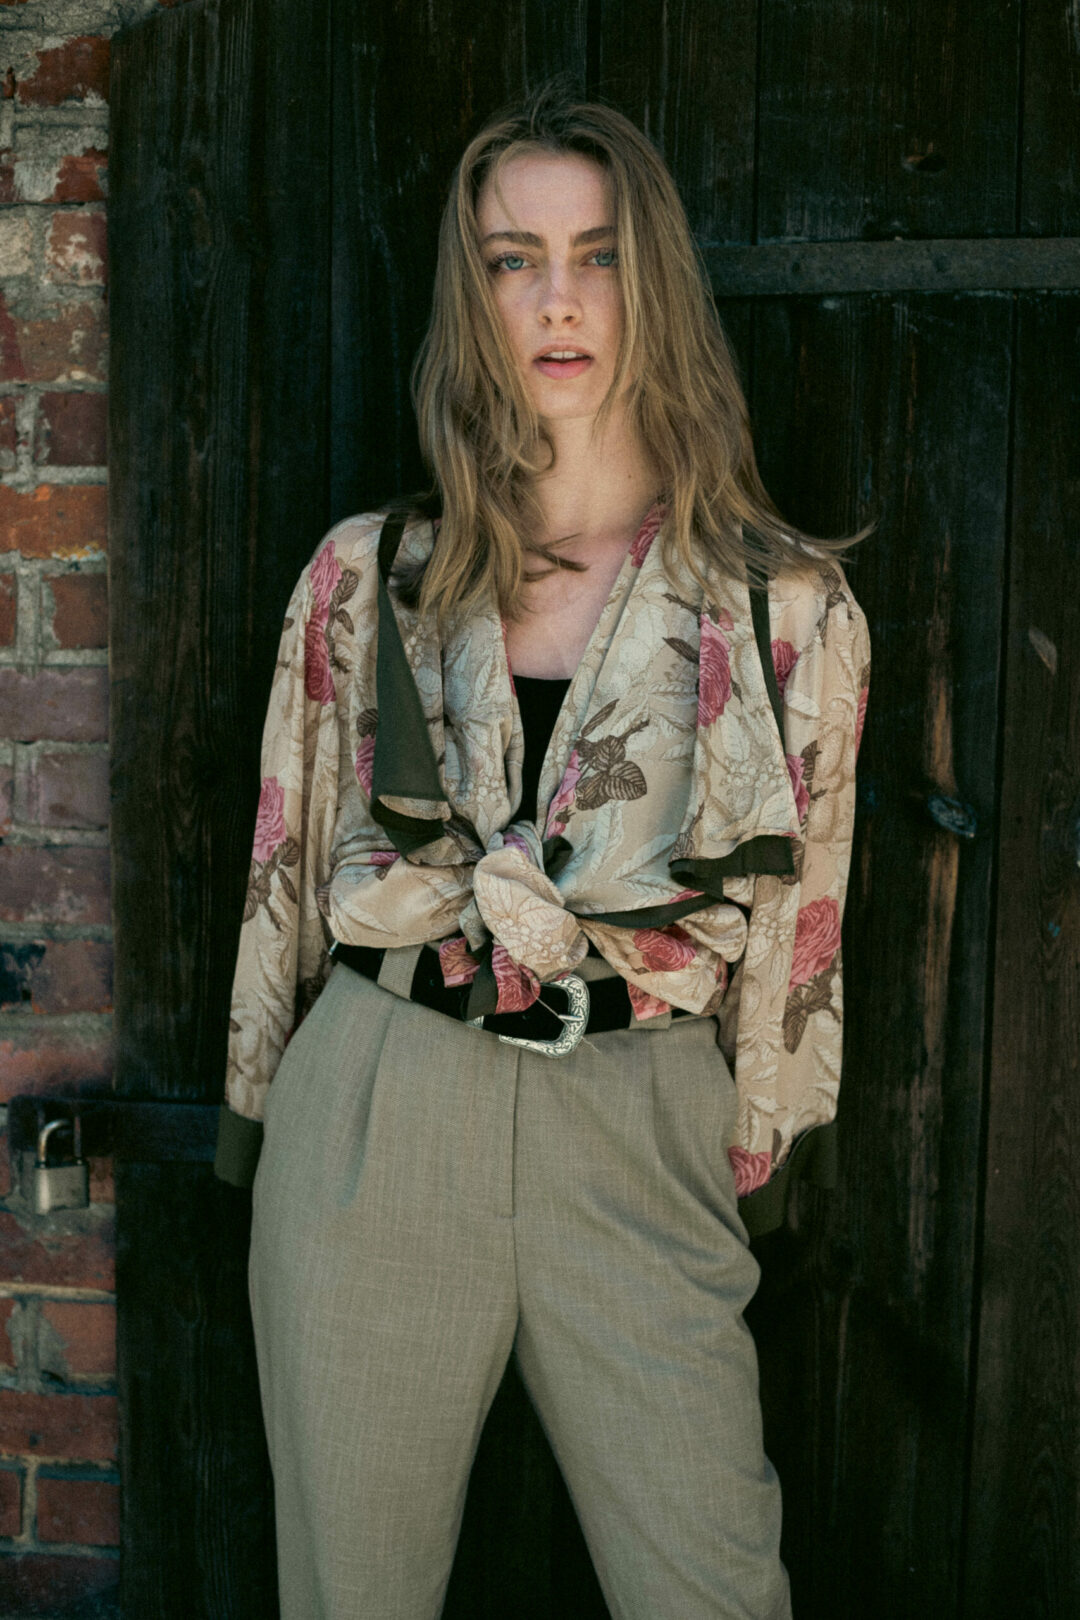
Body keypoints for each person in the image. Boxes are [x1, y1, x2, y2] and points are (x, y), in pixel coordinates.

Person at [213, 79, 872, 1620]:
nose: (558, 301)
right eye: (514, 260)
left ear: (656, 285)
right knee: (352, 1595)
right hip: (379, 1107)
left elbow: (805, 931)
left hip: (639, 1117)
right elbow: (278, 879)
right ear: (474, 294)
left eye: (599, 256)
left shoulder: (785, 611)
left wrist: (752, 1147)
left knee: (712, 1587)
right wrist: (256, 1114)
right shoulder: (365, 578)